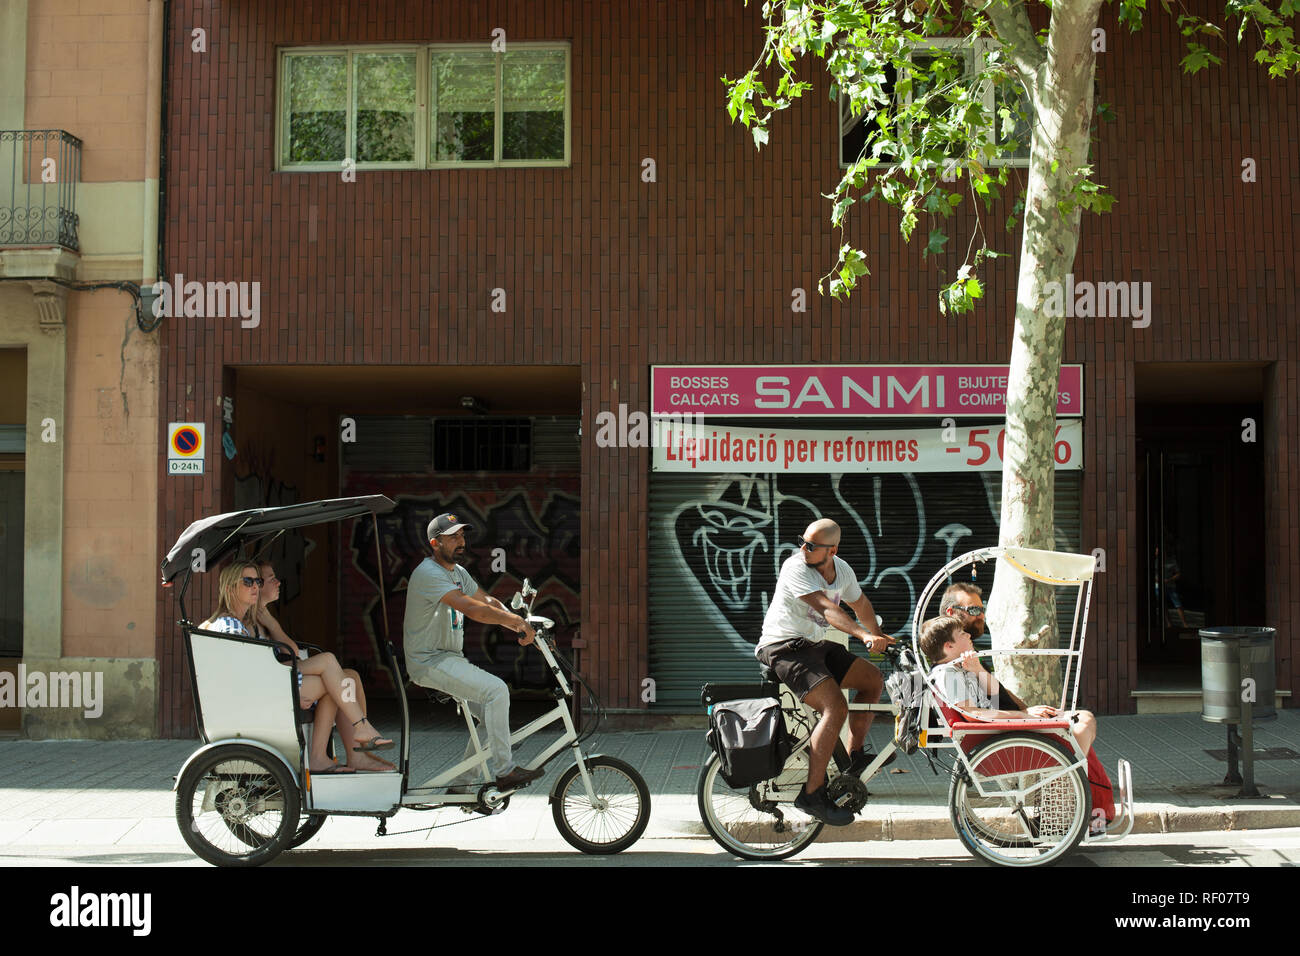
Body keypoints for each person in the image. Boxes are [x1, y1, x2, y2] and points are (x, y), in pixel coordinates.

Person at [755, 518, 894, 827]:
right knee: (835, 707)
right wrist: (863, 636)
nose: (804, 548)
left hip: (813, 647)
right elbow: (828, 610)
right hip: (782, 648)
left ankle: (853, 757)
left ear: (832, 550)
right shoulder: (796, 567)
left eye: (812, 545)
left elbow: (861, 604)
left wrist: (878, 636)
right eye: (804, 541)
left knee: (872, 680)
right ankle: (812, 794)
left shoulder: (841, 570)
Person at [920, 615, 1111, 833]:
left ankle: (1070, 804)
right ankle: (1066, 803)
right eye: (962, 633)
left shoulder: (961, 669)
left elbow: (1002, 699)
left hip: (1001, 731)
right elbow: (973, 715)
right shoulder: (949, 675)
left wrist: (979, 670)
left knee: (1082, 722)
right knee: (1083, 723)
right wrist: (1027, 717)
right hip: (997, 737)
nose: (969, 635)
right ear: (949, 645)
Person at [202, 560, 393, 773]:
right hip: (263, 693)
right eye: (248, 581)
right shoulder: (231, 626)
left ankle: (353, 745)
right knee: (332, 669)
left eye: (257, 581)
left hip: (271, 683)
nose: (255, 586)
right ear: (229, 588)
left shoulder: (241, 622)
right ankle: (356, 733)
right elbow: (245, 675)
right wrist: (284, 692)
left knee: (342, 676)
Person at [401, 513, 543, 791]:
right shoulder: (428, 573)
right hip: (428, 662)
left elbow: (485, 599)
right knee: (497, 691)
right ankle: (505, 771)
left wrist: (518, 622)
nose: (460, 541)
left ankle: (462, 784)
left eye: (462, 535)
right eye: (452, 537)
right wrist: (514, 622)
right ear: (434, 543)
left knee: (493, 713)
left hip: (449, 659)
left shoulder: (457, 572)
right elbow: (471, 608)